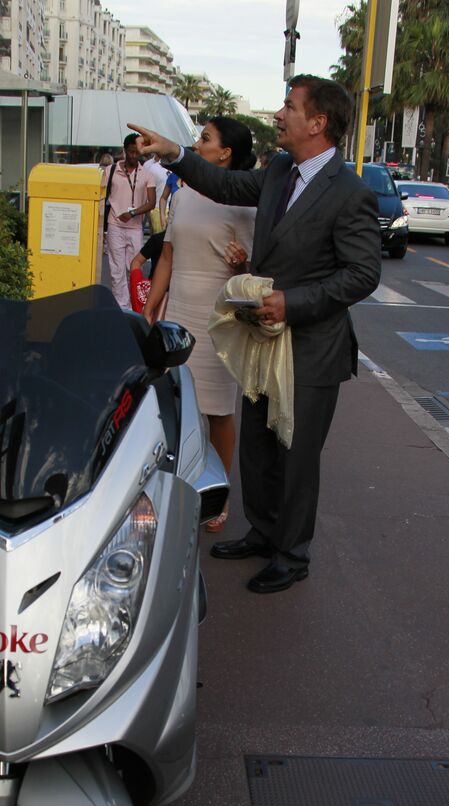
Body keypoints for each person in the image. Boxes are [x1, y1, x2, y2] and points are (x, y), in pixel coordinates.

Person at [128, 74, 381, 592]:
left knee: (297, 455)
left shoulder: (350, 193)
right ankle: (263, 532)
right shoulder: (280, 170)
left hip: (310, 347)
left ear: (318, 122)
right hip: (261, 341)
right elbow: (222, 184)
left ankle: (292, 553)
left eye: (289, 106)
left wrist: (292, 301)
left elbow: (362, 275)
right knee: (260, 447)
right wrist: (176, 153)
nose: (278, 115)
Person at [143, 117, 257, 532]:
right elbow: (168, 255)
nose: (197, 142)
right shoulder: (186, 192)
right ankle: (178, 485)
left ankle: (218, 494)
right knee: (176, 405)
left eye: (204, 139)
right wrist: (153, 305)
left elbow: (253, 267)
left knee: (218, 411)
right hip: (180, 314)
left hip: (220, 318)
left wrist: (241, 262)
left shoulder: (244, 201)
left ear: (225, 153)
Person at [105, 134, 156, 309]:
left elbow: (151, 202)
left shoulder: (147, 174)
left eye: (137, 153)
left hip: (135, 226)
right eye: (131, 152)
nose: (134, 156)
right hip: (115, 225)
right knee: (116, 268)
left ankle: (134, 305)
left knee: (133, 268)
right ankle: (122, 307)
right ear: (125, 151)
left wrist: (133, 213)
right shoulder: (110, 171)